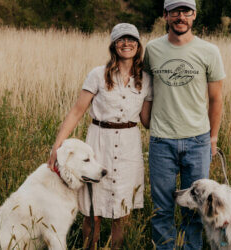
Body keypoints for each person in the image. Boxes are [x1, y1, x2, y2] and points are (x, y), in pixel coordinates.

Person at [47, 23, 152, 249]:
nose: (127, 43)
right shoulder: (97, 74)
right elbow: (77, 111)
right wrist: (57, 147)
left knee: (122, 212)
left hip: (128, 145)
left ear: (138, 45)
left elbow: (146, 120)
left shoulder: (145, 79)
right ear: (114, 45)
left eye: (131, 39)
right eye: (121, 39)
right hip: (98, 142)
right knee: (92, 211)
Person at [143, 0, 226, 249]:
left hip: (197, 141)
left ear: (194, 15)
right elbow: (146, 90)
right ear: (166, 15)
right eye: (175, 11)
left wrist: (212, 139)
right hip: (161, 141)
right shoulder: (152, 49)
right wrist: (147, 122)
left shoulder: (209, 51)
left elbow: (216, 98)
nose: (181, 16)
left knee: (195, 209)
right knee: (162, 209)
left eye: (186, 11)